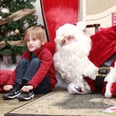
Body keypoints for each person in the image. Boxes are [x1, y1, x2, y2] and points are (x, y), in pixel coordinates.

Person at [3, 25, 57, 101]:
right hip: (29, 84)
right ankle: (17, 87)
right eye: (28, 40)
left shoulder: (46, 53)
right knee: (23, 61)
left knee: (35, 61)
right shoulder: (27, 53)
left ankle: (28, 90)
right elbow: (17, 69)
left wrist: (31, 85)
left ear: (42, 41)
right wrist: (10, 83)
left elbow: (42, 71)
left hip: (44, 84)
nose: (30, 43)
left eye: (34, 40)